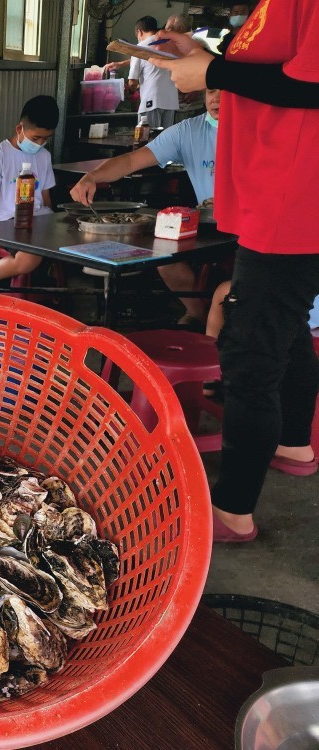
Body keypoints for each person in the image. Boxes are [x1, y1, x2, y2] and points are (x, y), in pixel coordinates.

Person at [152, 0, 319, 542]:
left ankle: (232, 510)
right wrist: (206, 58)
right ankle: (294, 442)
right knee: (285, 326)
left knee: (250, 353)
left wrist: (214, 72)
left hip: (293, 200)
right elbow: (281, 70)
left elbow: (311, 87)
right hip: (277, 194)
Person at [70, 88, 222, 325]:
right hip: (206, 222)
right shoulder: (188, 131)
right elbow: (132, 160)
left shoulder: (259, 129)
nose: (217, 98)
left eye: (226, 91)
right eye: (212, 91)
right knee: (163, 251)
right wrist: (93, 176)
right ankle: (197, 312)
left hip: (252, 228)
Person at [0, 95, 59, 288]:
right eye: (36, 138)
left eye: (46, 139)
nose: (40, 143)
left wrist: (54, 227)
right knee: (29, 258)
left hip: (40, 222)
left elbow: (46, 199)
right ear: (19, 129)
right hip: (9, 224)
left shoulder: (44, 156)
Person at [126, 16, 180, 129]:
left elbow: (132, 83)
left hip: (151, 100)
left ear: (139, 32)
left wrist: (129, 91)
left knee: (148, 139)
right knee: (165, 141)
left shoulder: (139, 48)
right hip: (171, 101)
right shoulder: (170, 45)